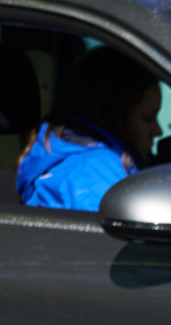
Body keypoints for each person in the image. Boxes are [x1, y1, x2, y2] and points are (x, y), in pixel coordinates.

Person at [17, 45, 160, 210]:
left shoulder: (66, 158)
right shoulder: (95, 178)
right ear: (113, 116)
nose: (158, 131)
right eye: (148, 119)